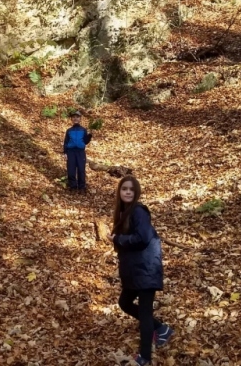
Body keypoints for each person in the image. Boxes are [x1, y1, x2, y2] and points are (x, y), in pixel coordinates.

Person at [107, 176, 174, 365]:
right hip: (136, 270)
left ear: (136, 193)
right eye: (124, 189)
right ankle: (161, 329)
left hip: (146, 269)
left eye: (131, 189)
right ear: (119, 192)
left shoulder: (138, 211)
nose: (128, 192)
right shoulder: (124, 213)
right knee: (124, 302)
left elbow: (143, 238)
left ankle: (144, 357)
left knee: (144, 312)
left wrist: (118, 239)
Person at [63, 110, 92, 192]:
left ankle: (82, 187)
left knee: (81, 169)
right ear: (71, 119)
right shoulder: (69, 131)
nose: (75, 119)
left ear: (80, 119)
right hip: (71, 152)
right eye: (74, 117)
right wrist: (65, 152)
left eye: (77, 117)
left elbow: (85, 141)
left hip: (80, 152)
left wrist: (90, 135)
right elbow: (66, 142)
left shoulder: (83, 130)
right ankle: (73, 186)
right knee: (71, 170)